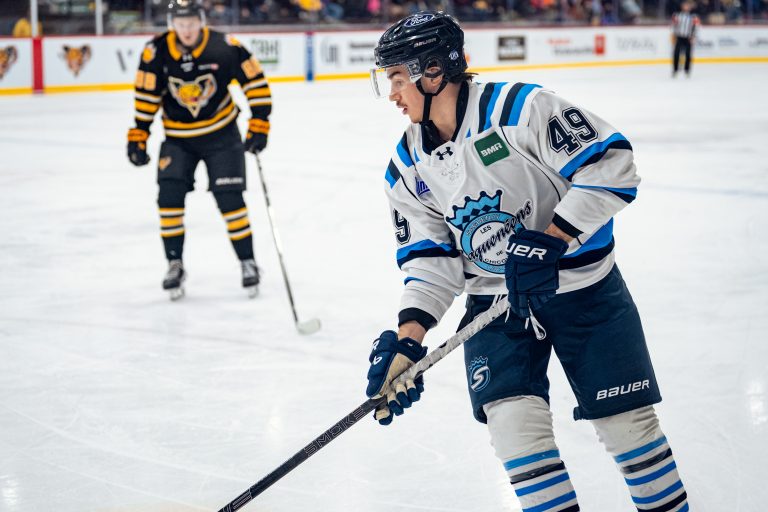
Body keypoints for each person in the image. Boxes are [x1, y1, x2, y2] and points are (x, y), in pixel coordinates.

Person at [364, 11, 689, 512]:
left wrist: (552, 240)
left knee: (629, 429)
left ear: (433, 71)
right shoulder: (406, 168)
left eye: (397, 78)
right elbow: (430, 262)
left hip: (585, 289)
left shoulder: (522, 109)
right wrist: (408, 341)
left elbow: (612, 165)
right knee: (515, 432)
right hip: (496, 307)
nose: (392, 94)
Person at [126, 0, 272, 300]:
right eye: (181, 24)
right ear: (172, 25)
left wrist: (259, 123)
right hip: (178, 138)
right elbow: (146, 95)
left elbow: (255, 82)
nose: (187, 30)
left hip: (222, 135)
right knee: (168, 199)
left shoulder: (225, 46)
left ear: (201, 21)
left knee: (230, 199)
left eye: (191, 23)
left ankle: (247, 262)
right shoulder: (155, 51)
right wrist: (139, 133)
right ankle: (174, 264)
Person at [671, 0, 700, 77]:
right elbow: (673, 26)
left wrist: (693, 36)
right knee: (676, 53)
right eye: (685, 5)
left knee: (688, 54)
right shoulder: (677, 15)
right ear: (682, 6)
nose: (686, 7)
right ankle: (675, 69)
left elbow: (696, 27)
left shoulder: (694, 16)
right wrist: (673, 35)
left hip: (688, 38)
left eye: (688, 5)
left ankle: (687, 70)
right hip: (679, 37)